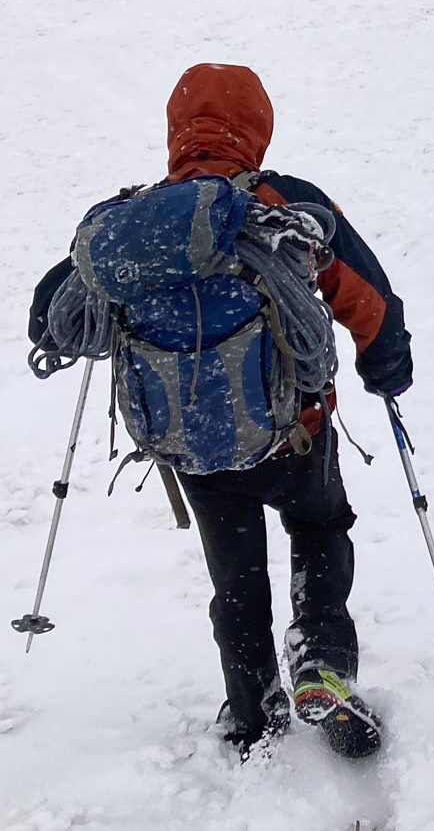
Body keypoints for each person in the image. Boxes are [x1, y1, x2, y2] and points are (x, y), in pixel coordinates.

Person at [26, 63, 414, 758]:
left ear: (177, 132)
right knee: (322, 527)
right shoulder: (285, 205)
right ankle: (321, 661)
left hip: (194, 448)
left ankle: (251, 712)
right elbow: (369, 299)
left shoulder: (131, 227)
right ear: (258, 128)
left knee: (235, 582)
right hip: (297, 434)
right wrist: (386, 367)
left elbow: (49, 315)